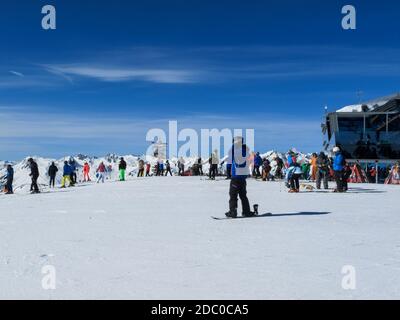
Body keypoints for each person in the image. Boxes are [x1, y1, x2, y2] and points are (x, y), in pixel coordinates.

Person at [225, 137, 254, 218]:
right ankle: (246, 211)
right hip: (243, 177)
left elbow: (229, 163)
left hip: (235, 177)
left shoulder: (234, 150)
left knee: (233, 195)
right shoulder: (246, 151)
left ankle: (233, 211)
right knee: (243, 195)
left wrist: (228, 173)